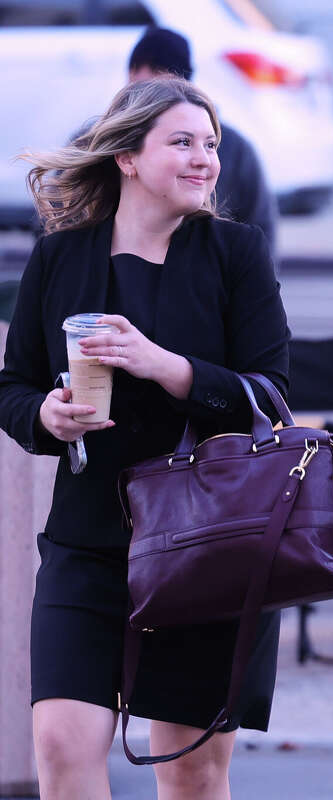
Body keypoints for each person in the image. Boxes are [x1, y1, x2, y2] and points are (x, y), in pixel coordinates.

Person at [0, 77, 289, 799]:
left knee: (190, 770)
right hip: (87, 539)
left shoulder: (236, 252)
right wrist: (46, 416)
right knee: (60, 745)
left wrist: (165, 367)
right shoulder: (61, 257)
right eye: (182, 142)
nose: (205, 159)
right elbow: (13, 386)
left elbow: (273, 398)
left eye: (210, 144)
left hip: (210, 542)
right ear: (127, 157)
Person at [124, 26, 277, 258]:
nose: (201, 160)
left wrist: (255, 275)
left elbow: (260, 226)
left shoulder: (234, 149)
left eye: (209, 146)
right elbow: (67, 215)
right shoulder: (98, 142)